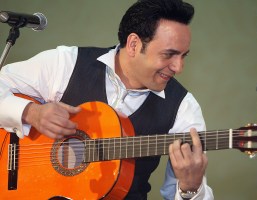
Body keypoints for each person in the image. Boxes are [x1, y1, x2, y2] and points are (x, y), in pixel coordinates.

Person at [0, 0, 214, 199]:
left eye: (183, 56)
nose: (179, 67)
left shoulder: (183, 107)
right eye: (169, 55)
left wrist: (191, 188)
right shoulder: (66, 63)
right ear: (133, 44)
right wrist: (30, 112)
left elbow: (184, 191)